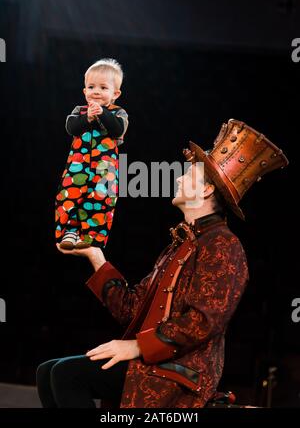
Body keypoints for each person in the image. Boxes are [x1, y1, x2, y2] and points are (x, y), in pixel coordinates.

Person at [37, 119, 288, 408]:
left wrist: (135, 346)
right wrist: (97, 257)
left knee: (67, 375)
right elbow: (132, 308)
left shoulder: (223, 245)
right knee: (47, 372)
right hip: (155, 362)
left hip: (180, 372)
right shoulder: (179, 245)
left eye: (188, 175)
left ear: (206, 191)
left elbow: (203, 321)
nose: (179, 179)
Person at [55, 58, 129, 250]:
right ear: (85, 91)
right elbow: (71, 128)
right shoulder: (79, 111)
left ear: (115, 94)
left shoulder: (119, 114)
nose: (96, 91)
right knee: (69, 196)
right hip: (77, 167)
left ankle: (91, 237)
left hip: (105, 169)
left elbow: (116, 130)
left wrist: (102, 113)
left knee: (100, 199)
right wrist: (88, 117)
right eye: (91, 87)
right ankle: (70, 231)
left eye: (103, 88)